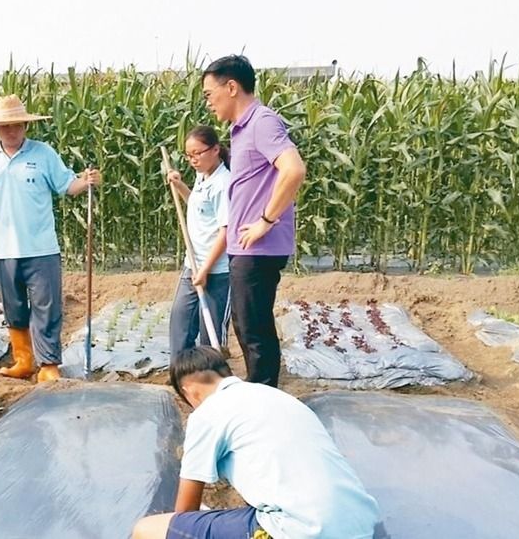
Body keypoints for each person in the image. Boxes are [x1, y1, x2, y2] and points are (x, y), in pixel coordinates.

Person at [131, 347, 382, 539]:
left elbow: (185, 512)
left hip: (304, 531)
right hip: (361, 525)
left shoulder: (207, 414)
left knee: (148, 529)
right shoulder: (278, 398)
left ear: (188, 390)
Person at [0, 95, 101, 382]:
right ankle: (23, 360)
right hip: (2, 249)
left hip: (41, 247)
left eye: (17, 125)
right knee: (13, 307)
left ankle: (48, 363)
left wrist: (85, 181)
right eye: (5, 126)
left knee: (46, 305)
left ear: (26, 125)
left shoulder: (43, 154)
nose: (11, 130)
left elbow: (67, 185)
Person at [202, 55, 306, 387]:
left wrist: (265, 220)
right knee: (248, 326)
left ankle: (263, 399)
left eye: (209, 93)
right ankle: (261, 392)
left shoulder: (262, 122)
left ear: (231, 87)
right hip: (247, 247)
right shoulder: (241, 129)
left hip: (259, 246)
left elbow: (294, 169)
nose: (208, 103)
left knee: (253, 328)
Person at [166, 125, 231, 359]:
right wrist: (179, 184)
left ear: (215, 150)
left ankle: (214, 380)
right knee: (180, 324)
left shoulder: (224, 183)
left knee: (210, 336)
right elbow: (197, 204)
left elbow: (226, 232)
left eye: (197, 153)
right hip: (192, 265)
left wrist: (205, 270)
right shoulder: (203, 176)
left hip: (217, 271)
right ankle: (181, 374)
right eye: (188, 155)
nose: (192, 160)